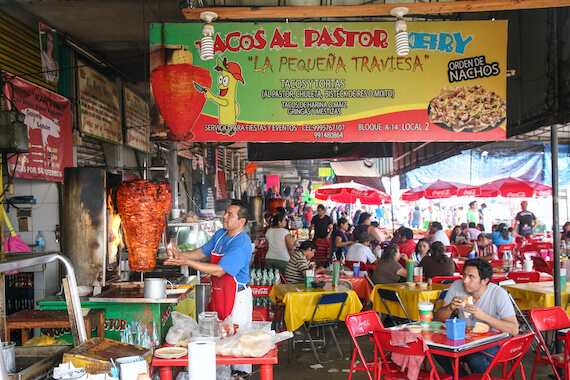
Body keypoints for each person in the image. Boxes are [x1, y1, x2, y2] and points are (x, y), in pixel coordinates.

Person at [165, 200, 253, 375]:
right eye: (225, 213)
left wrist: (187, 262)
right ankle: (223, 374)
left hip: (237, 298)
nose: (225, 217)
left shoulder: (241, 243)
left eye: (230, 215)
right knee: (220, 337)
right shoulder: (221, 234)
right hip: (220, 294)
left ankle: (241, 375)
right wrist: (180, 255)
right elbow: (201, 252)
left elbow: (220, 271)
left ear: (241, 221)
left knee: (237, 341)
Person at [434, 259, 518, 377]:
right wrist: (450, 307)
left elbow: (514, 329)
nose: (464, 280)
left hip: (494, 342)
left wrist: (484, 316)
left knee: (475, 358)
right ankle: (461, 378)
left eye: (471, 277)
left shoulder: (499, 294)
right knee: (439, 351)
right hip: (464, 339)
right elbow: (439, 318)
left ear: (484, 281)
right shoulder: (457, 286)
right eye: (464, 275)